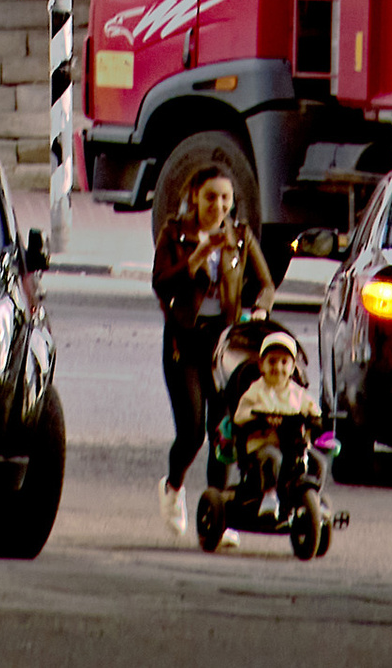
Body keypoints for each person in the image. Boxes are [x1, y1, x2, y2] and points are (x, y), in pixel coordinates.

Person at [152, 169, 274, 538]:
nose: (218, 206)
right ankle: (173, 486)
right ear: (194, 195)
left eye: (225, 198)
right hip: (184, 342)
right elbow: (161, 283)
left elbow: (266, 284)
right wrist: (198, 256)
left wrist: (260, 311)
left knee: (223, 433)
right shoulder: (175, 233)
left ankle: (218, 516)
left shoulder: (240, 235)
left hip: (223, 346)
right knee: (191, 432)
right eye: (210, 197)